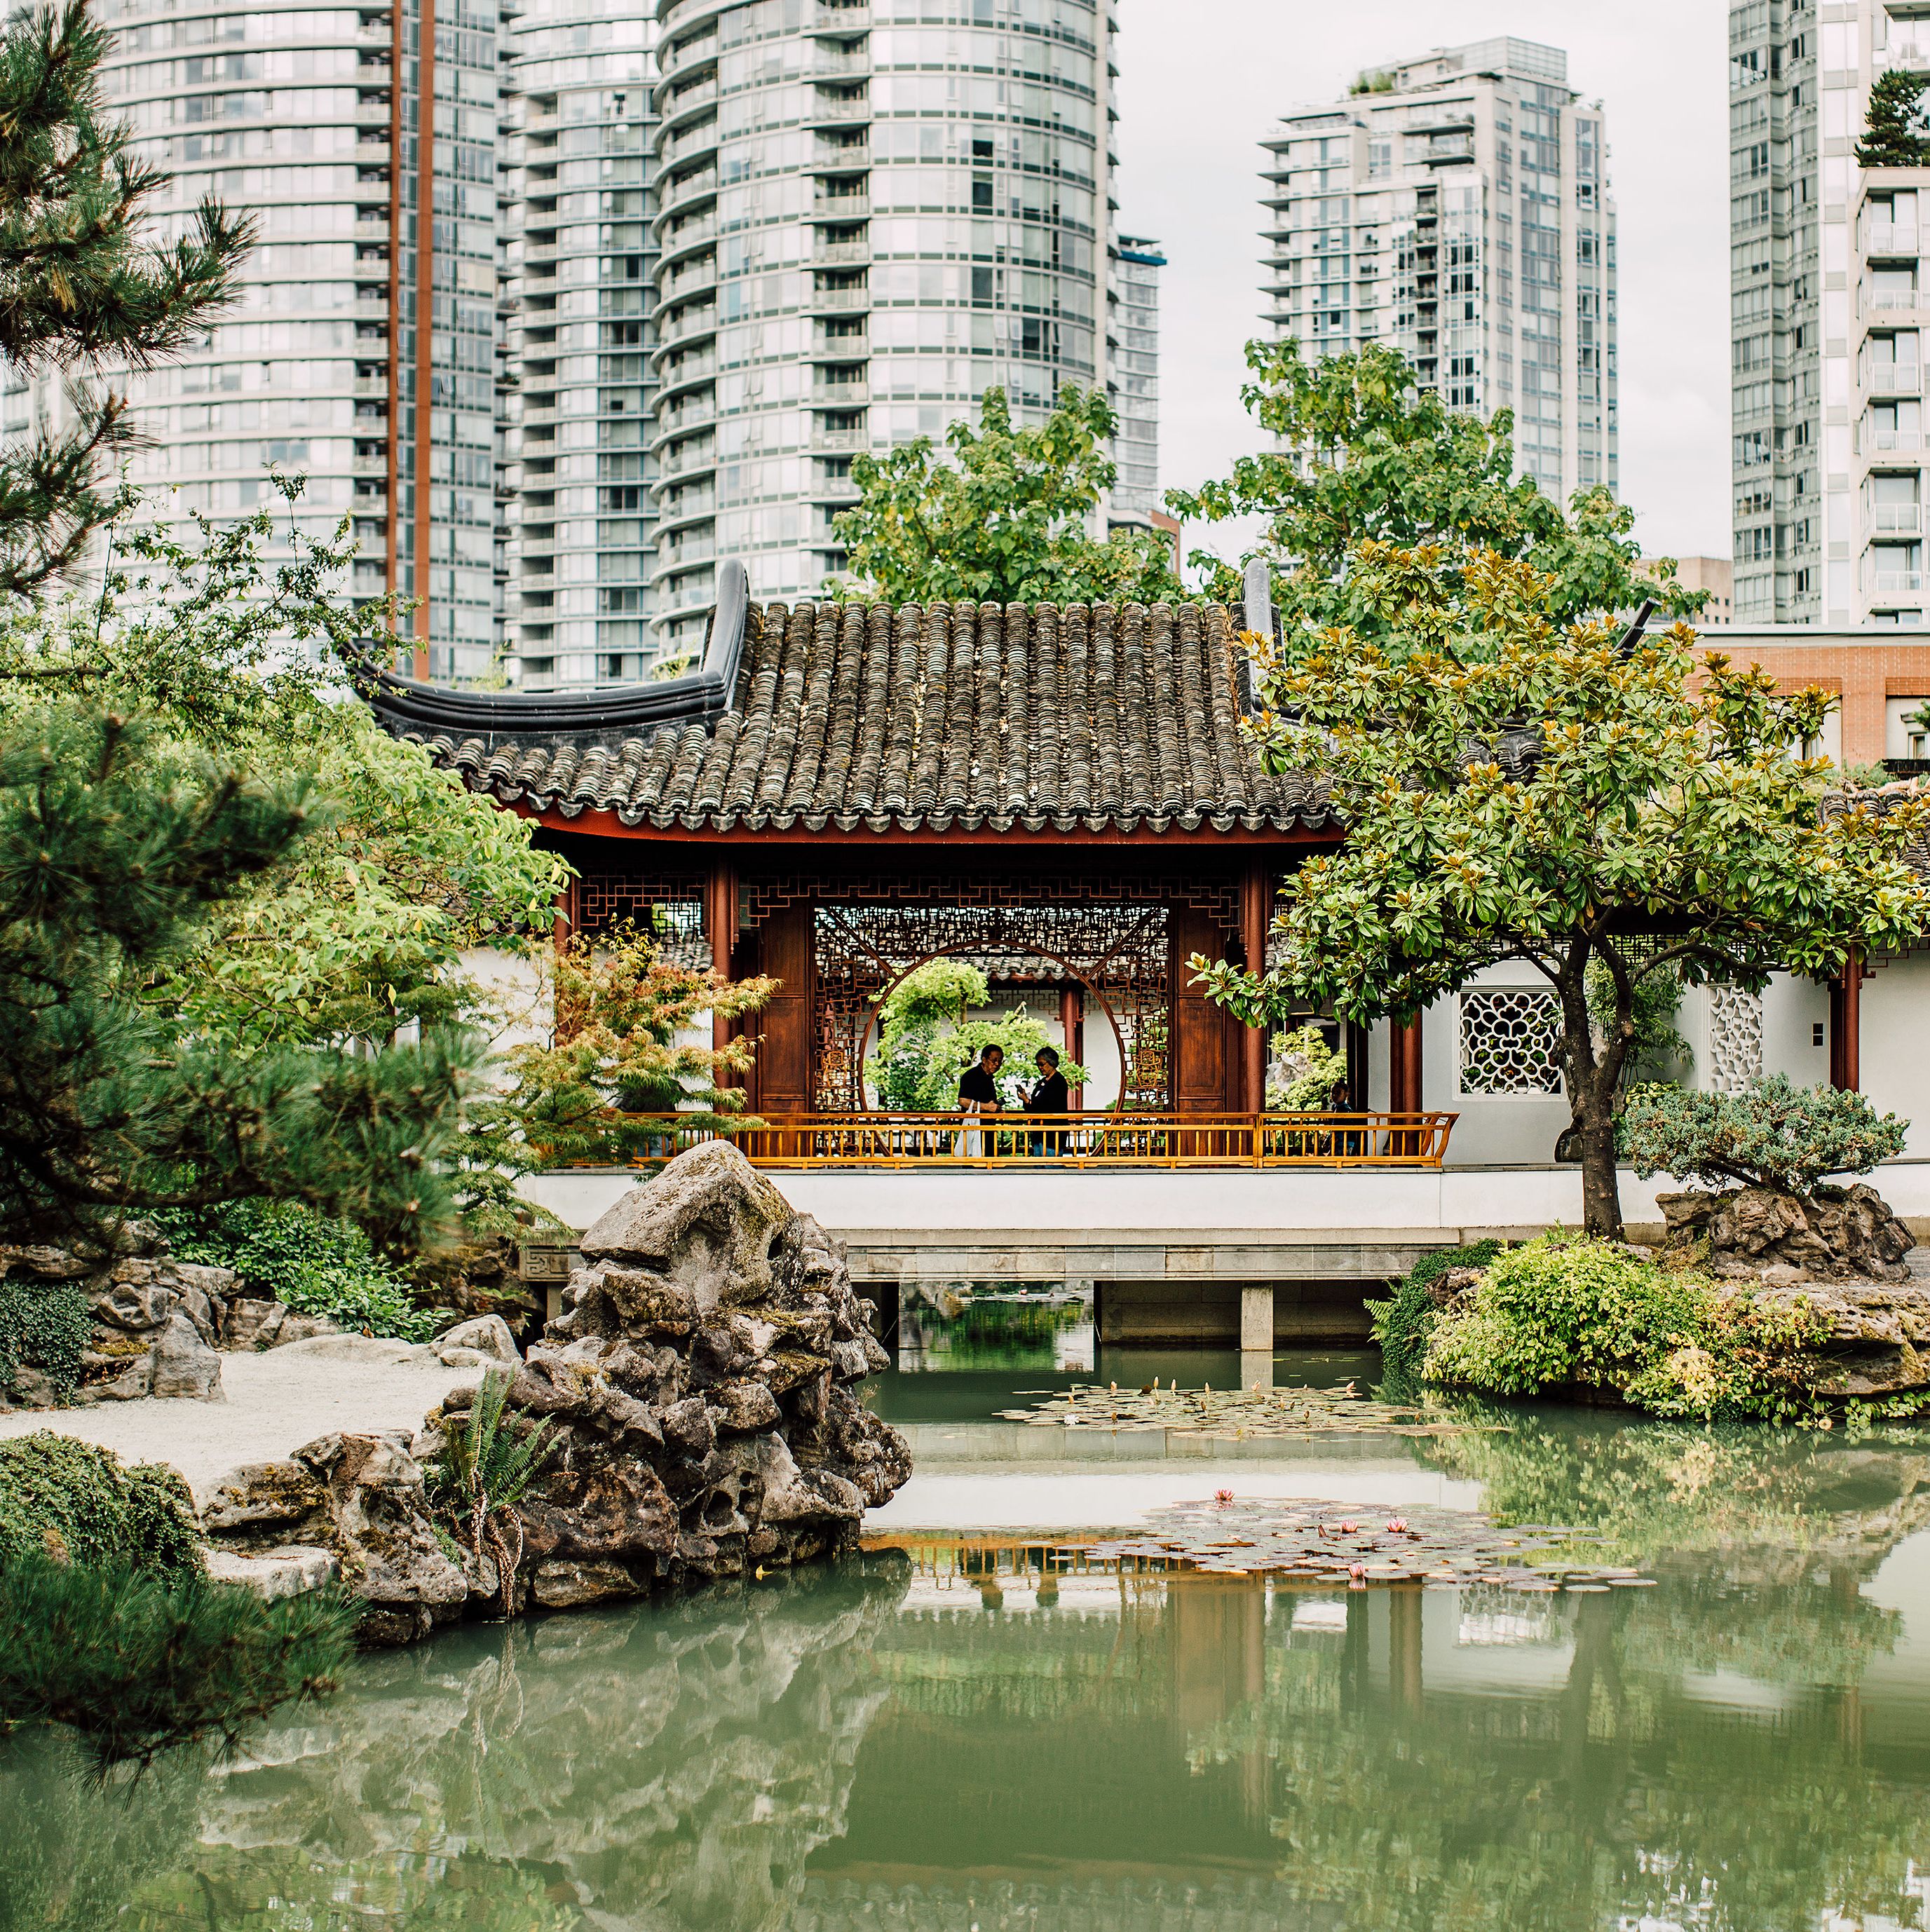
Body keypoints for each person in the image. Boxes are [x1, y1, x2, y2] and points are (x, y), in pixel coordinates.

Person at [957, 1044, 1003, 1157]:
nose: (997, 1064)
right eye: (994, 1060)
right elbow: (963, 1101)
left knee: (988, 1162)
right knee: (972, 1163)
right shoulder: (971, 1076)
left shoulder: (989, 1078)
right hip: (973, 1128)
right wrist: (986, 1107)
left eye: (1000, 1061)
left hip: (987, 1128)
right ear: (984, 1060)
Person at [1027, 1045, 1069, 1155]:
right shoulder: (1041, 1082)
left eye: (1042, 1064)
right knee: (1039, 1166)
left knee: (1051, 1166)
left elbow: (1049, 1104)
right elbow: (1034, 1104)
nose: (1040, 1067)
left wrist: (1032, 1103)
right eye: (1038, 1065)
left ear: (1052, 1062)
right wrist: (1027, 1101)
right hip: (1038, 1131)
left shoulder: (1059, 1081)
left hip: (1053, 1131)